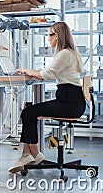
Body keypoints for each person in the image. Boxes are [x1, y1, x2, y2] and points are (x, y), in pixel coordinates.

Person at [8, 21, 85, 173]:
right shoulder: (72, 52)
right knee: (30, 111)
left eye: (49, 35)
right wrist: (32, 71)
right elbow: (49, 71)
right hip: (74, 102)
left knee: (28, 112)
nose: (48, 39)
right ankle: (27, 154)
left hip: (69, 104)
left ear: (56, 36)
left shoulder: (64, 54)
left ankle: (34, 154)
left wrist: (26, 71)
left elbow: (45, 75)